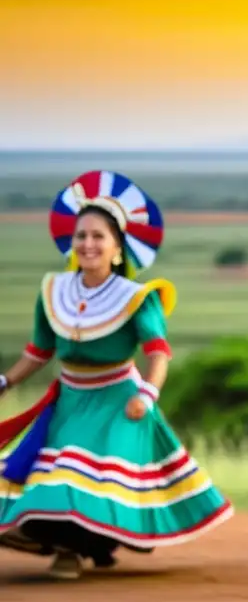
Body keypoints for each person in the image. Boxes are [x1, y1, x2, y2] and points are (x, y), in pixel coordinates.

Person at [0, 170, 233, 580]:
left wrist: (147, 394)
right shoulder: (54, 291)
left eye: (98, 237)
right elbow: (39, 351)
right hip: (69, 402)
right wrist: (5, 382)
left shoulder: (136, 298)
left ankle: (73, 551)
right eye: (81, 236)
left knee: (72, 476)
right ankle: (72, 546)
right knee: (42, 476)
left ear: (117, 248)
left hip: (118, 403)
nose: (87, 244)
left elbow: (158, 353)